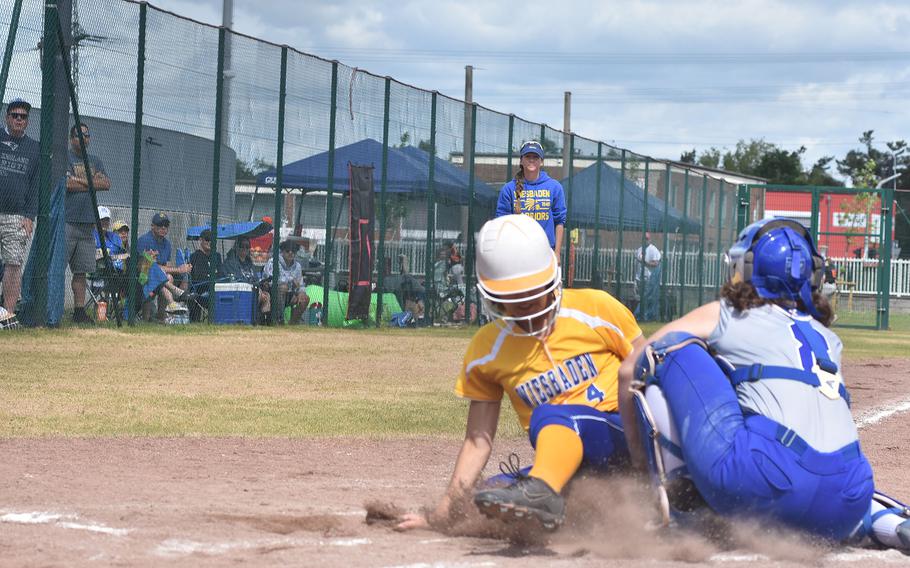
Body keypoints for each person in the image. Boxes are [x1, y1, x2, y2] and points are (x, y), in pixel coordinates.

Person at [617, 217, 910, 548]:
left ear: (745, 266)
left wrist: (637, 465)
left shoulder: (726, 313)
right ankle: (884, 521)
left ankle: (682, 506)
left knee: (672, 353)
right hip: (850, 496)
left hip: (764, 485)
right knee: (811, 447)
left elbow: (630, 369)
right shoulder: (827, 337)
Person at [396, 214, 643, 532]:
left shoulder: (596, 308)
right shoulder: (487, 348)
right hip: (572, 466)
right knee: (489, 498)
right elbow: (477, 440)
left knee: (552, 416)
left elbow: (650, 371)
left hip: (623, 439)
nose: (523, 302)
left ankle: (564, 491)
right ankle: (592, 510)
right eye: (512, 294)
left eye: (530, 290)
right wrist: (445, 511)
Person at [65, 122, 111, 323]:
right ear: (71, 138)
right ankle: (52, 308)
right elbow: (66, 184)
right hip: (67, 221)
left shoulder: (95, 160)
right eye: (78, 135)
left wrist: (80, 180)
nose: (83, 139)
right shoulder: (66, 157)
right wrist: (93, 182)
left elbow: (106, 184)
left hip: (88, 224)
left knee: (81, 271)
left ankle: (79, 311)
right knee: (58, 268)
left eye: (86, 135)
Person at [0, 98, 39, 318]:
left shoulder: (34, 148)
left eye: (23, 117)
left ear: (27, 121)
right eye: (15, 115)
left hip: (17, 216)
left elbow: (35, 185)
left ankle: (8, 315)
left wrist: (29, 216)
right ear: (7, 117)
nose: (18, 120)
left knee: (13, 264)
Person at [495, 140, 567, 255]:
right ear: (521, 161)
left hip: (545, 252)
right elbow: (501, 222)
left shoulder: (554, 187)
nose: (532, 160)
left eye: (536, 157)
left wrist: (557, 253)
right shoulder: (509, 189)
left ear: (541, 162)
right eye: (528, 156)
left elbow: (559, 221)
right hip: (517, 253)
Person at [136, 212, 190, 321]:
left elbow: (167, 266)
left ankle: (162, 315)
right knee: (162, 273)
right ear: (152, 226)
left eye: (166, 225)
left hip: (157, 280)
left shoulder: (167, 244)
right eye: (160, 225)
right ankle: (170, 305)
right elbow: (147, 266)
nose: (163, 228)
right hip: (141, 277)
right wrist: (179, 269)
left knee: (169, 276)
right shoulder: (144, 240)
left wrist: (184, 271)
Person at [262, 239, 309, 324]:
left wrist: (301, 292)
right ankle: (279, 320)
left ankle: (292, 323)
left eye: (293, 251)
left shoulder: (297, 266)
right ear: (282, 251)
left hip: (289, 295)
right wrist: (290, 282)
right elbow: (270, 282)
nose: (290, 253)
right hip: (272, 294)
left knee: (304, 298)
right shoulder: (273, 262)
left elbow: (301, 285)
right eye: (287, 250)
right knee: (283, 287)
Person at [223, 236, 270, 318]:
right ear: (236, 247)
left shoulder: (249, 263)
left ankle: (262, 321)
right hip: (239, 291)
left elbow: (255, 279)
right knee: (259, 294)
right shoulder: (231, 262)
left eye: (247, 246)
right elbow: (238, 280)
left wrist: (262, 284)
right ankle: (250, 319)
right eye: (242, 245)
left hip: (253, 289)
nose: (245, 248)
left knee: (267, 295)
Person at [188, 229, 223, 321]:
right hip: (201, 291)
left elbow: (221, 275)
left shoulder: (217, 256)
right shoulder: (195, 256)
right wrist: (212, 279)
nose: (210, 242)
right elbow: (198, 278)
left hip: (218, 289)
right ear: (201, 240)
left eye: (213, 240)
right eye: (207, 239)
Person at [633, 232, 662, 321]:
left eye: (647, 239)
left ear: (650, 239)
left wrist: (644, 262)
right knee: (639, 298)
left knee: (646, 298)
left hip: (648, 278)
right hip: (638, 278)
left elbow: (656, 263)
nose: (645, 240)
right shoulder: (639, 250)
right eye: (644, 238)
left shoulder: (653, 250)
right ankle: (641, 316)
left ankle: (643, 316)